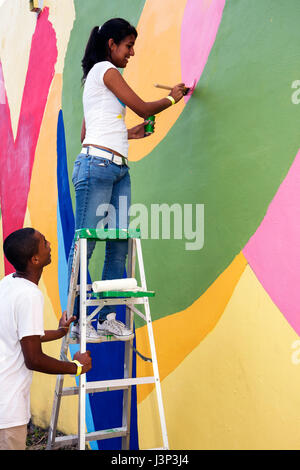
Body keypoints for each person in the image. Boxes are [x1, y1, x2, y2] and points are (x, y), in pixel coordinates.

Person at [68, 18, 185, 342]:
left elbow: (87, 133)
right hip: (96, 166)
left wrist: (128, 133)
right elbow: (143, 107)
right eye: (129, 46)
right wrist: (173, 98)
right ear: (112, 45)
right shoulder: (106, 71)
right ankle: (78, 319)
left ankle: (105, 318)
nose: (131, 53)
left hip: (117, 169)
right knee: (85, 246)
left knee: (119, 245)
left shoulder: (100, 80)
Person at [0, 228, 92, 450]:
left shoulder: (7, 283)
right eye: (44, 243)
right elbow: (33, 359)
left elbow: (19, 334)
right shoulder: (30, 295)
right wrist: (77, 367)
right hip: (8, 411)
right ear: (35, 259)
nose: (49, 244)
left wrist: (59, 332)